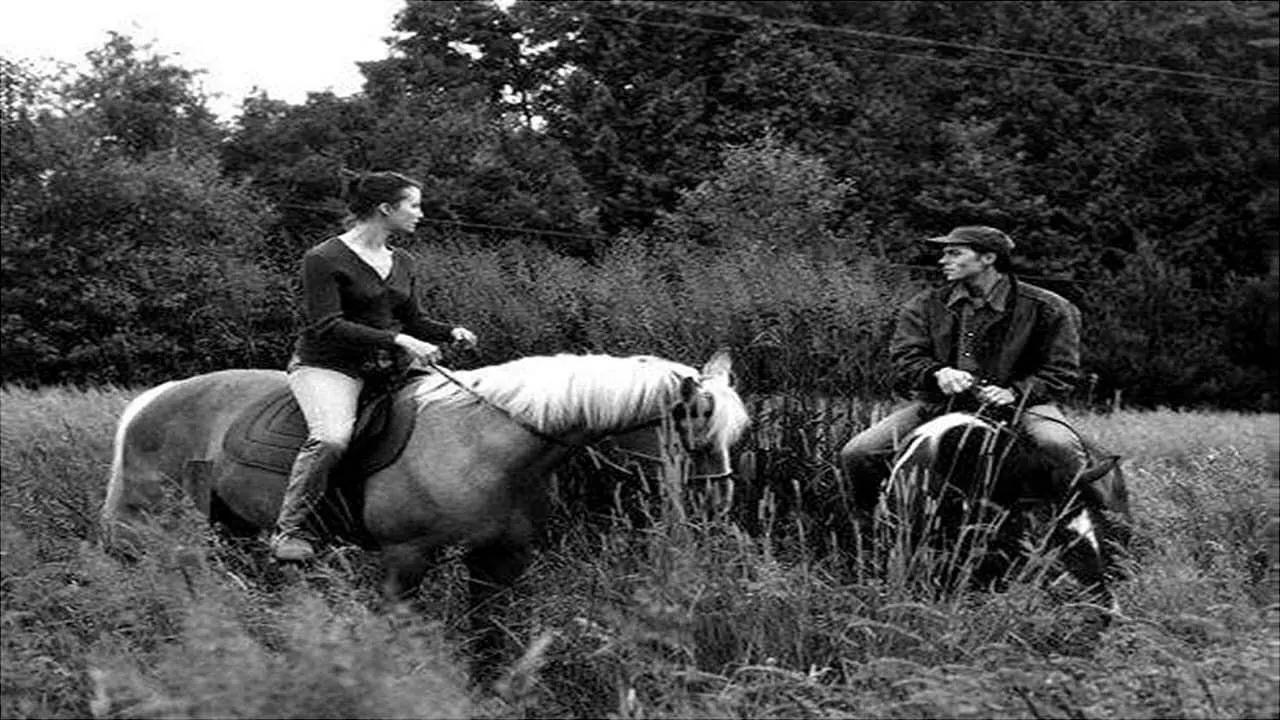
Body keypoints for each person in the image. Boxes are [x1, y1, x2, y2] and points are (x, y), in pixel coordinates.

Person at [272, 171, 478, 562]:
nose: (421, 213)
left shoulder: (402, 259)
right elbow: (327, 324)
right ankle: (290, 530)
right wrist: (399, 339)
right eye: (413, 205)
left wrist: (451, 331)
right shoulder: (323, 259)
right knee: (331, 438)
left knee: (463, 407)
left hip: (390, 369)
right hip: (329, 367)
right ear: (386, 209)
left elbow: (413, 320)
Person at [839, 225, 1086, 519]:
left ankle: (1091, 527)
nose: (943, 260)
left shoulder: (1050, 307)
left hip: (1025, 405)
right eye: (944, 253)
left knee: (1058, 446)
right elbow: (905, 357)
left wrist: (1014, 393)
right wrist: (936, 373)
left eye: (954, 253)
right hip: (939, 405)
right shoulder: (924, 306)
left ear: (988, 258)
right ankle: (867, 528)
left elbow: (1062, 371)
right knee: (857, 454)